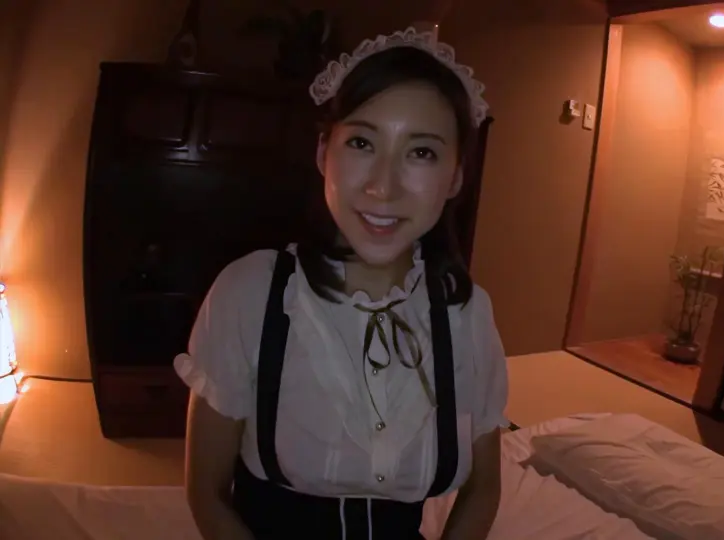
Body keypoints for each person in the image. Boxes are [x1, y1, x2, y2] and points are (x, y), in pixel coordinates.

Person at [175, 27, 508, 540]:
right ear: (322, 152)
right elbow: (207, 492)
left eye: (421, 153)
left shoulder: (467, 313)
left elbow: (483, 487)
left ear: (456, 176)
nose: (383, 186)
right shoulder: (251, 293)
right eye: (361, 143)